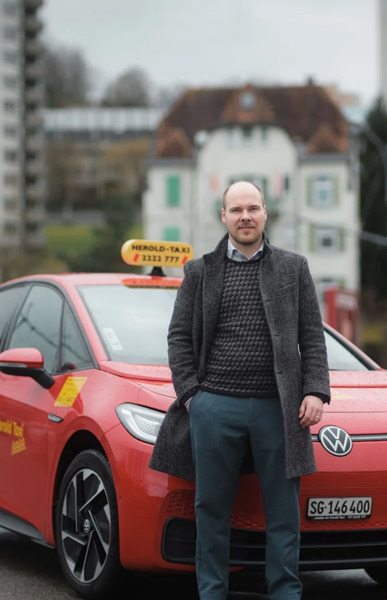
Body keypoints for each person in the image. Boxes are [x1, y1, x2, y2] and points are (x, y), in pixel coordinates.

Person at [149, 180, 331, 600]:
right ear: (224, 216)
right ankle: (212, 594)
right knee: (210, 511)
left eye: (253, 208)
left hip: (279, 410)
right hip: (214, 407)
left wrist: (315, 391)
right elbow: (178, 337)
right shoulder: (200, 271)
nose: (245, 217)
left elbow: (312, 336)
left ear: (265, 213)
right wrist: (193, 395)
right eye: (236, 210)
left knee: (283, 514)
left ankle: (285, 593)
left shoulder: (294, 267)